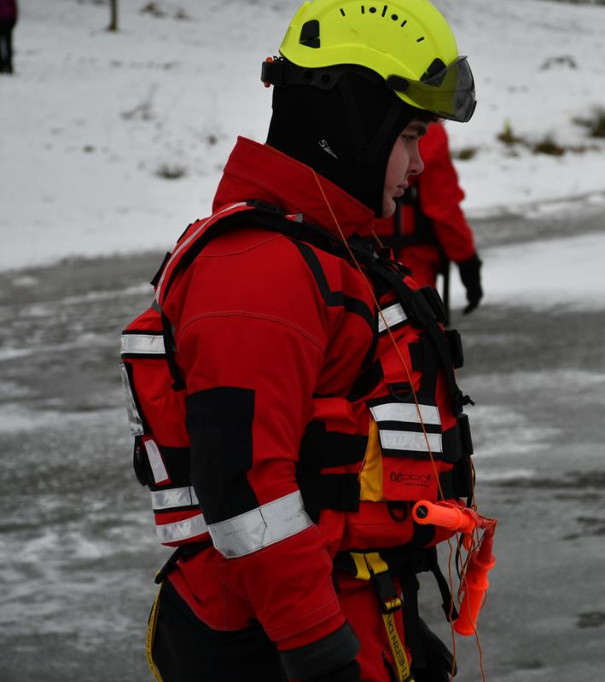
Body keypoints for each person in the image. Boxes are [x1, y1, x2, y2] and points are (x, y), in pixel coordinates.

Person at [119, 1, 480, 681]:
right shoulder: (260, 271)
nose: (420, 164)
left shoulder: (329, 251)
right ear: (352, 127)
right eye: (408, 135)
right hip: (277, 642)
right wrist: (319, 650)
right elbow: (244, 489)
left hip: (357, 607)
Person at [372, 121, 483, 315]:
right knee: (415, 337)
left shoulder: (352, 113)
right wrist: (467, 261)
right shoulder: (425, 127)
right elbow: (443, 206)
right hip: (408, 264)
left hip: (352, 257)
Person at [0, 0, 16, 74]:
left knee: (7, 44)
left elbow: (13, 9)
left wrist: (12, 21)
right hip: (5, 20)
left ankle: (8, 65)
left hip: (7, 22)